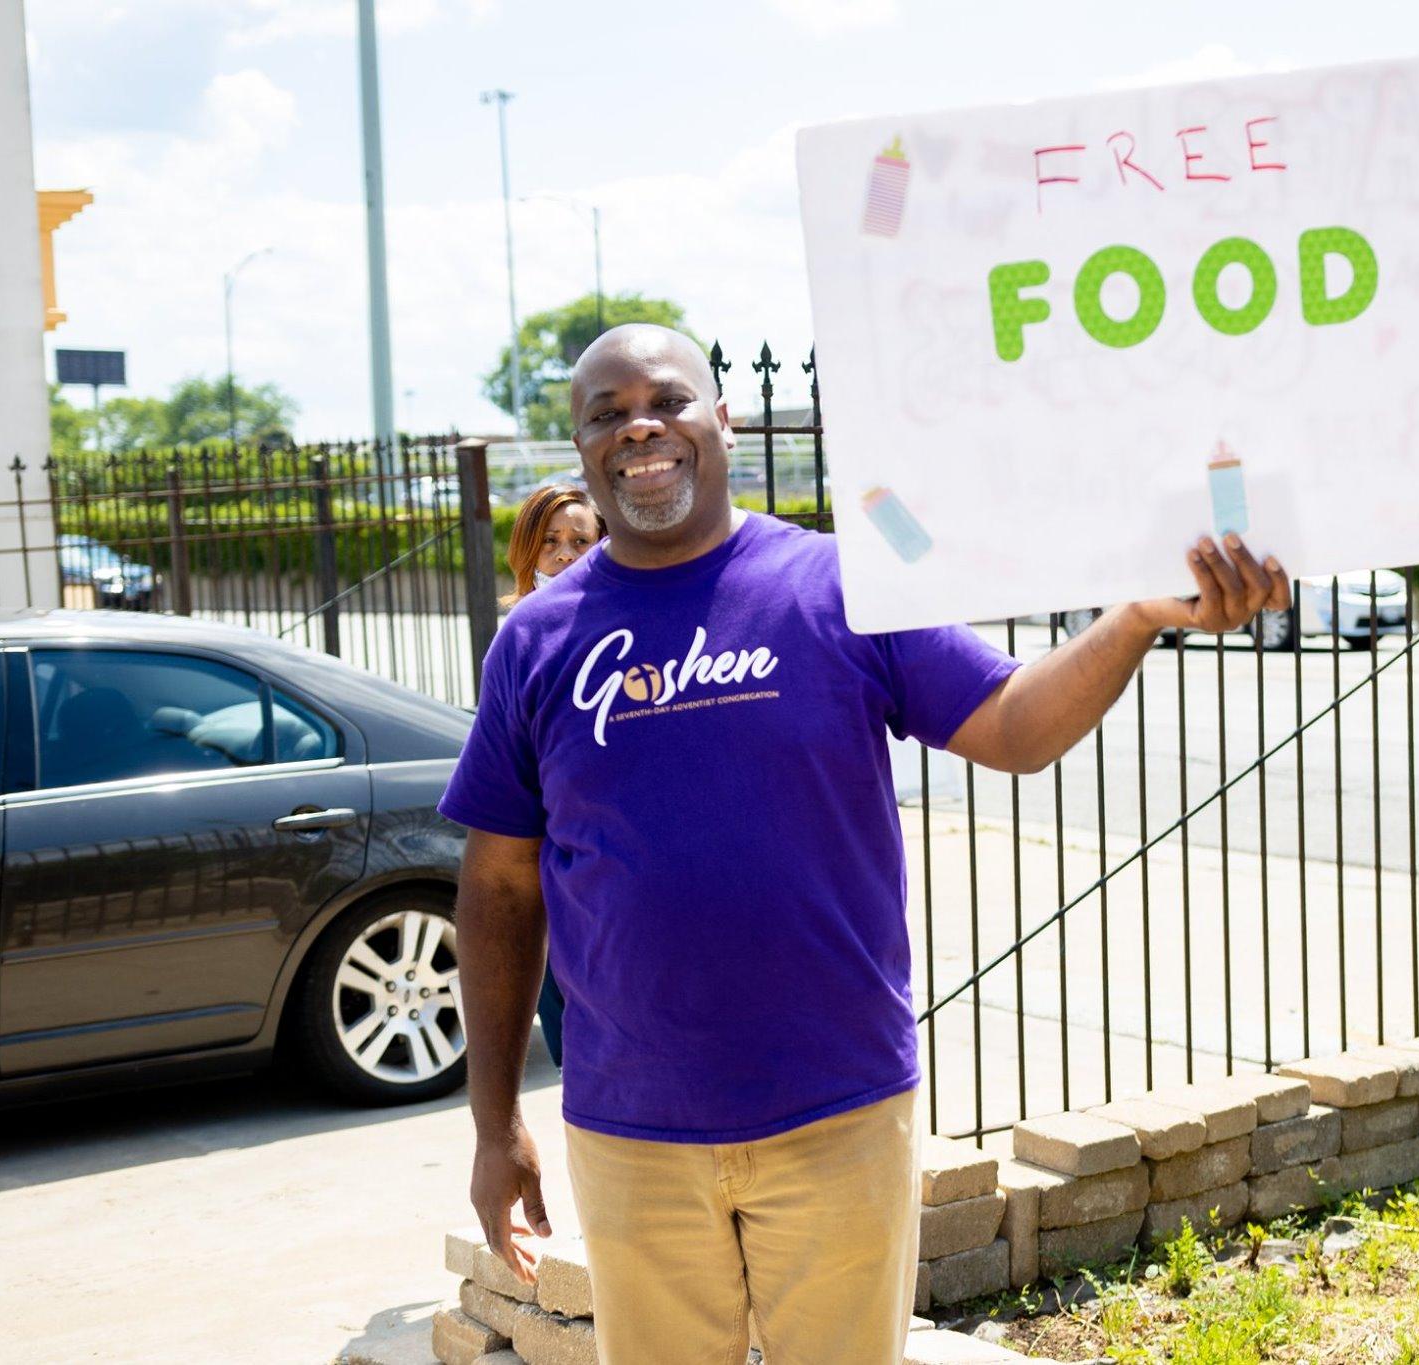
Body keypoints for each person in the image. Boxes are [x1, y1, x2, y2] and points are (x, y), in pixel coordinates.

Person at [438, 324, 1289, 1364]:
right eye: (605, 415)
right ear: (579, 448)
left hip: (837, 1112)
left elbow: (1013, 725)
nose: (639, 429)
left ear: (723, 419)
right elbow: (499, 890)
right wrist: (492, 1127)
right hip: (632, 1129)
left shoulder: (841, 587)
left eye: (665, 400)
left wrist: (1136, 619)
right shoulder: (537, 640)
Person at [497, 482, 607, 1069]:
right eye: (550, 542)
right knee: (571, 1031)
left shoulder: (625, 616)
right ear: (527, 551)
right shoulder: (516, 634)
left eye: (579, 541)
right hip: (549, 851)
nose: (564, 555)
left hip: (614, 846)